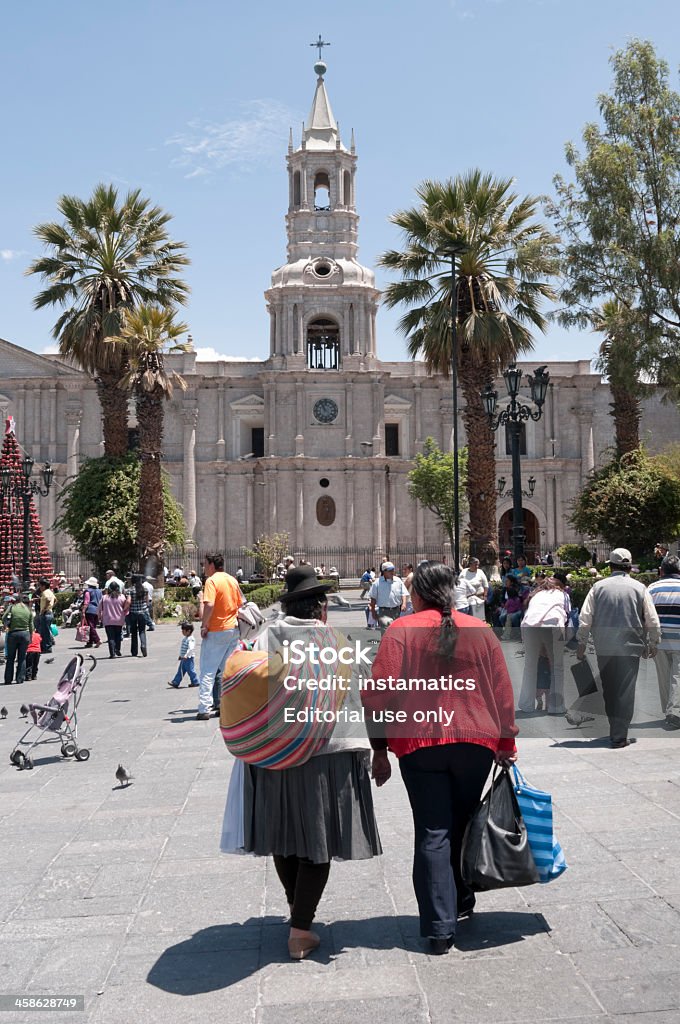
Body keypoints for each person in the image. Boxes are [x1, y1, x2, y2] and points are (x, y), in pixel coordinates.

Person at [223, 564, 382, 959]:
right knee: (319, 841)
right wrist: (378, 750)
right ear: (321, 608)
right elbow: (364, 696)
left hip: (275, 754)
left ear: (288, 605)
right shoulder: (340, 640)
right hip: (329, 755)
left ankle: (298, 911)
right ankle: (300, 927)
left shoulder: (265, 639)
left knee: (285, 837)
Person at [361, 561, 517, 955]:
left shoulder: (401, 631)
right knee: (463, 821)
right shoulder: (481, 632)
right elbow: (502, 693)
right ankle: (462, 899)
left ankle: (438, 926)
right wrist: (507, 744)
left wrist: (378, 748)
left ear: (416, 594)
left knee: (433, 830)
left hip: (421, 746)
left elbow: (377, 695)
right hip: (475, 743)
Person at [576, 547, 661, 748]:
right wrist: (653, 642)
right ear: (630, 566)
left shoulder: (598, 587)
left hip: (604, 646)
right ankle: (619, 733)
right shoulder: (640, 588)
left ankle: (616, 729)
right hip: (630, 647)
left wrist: (581, 643)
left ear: (610, 566)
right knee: (625, 690)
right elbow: (652, 619)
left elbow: (585, 617)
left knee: (609, 689)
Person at [197, 552, 243, 720]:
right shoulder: (232, 579)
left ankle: (204, 707)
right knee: (226, 671)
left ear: (211, 565)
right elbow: (240, 604)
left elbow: (209, 604)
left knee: (208, 671)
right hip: (233, 630)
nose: (204, 568)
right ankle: (226, 705)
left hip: (216, 630)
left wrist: (204, 625)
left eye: (205, 564)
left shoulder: (211, 581)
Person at [516, 576, 570, 714]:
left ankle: (526, 704)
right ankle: (556, 706)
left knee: (530, 666)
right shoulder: (562, 594)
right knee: (557, 666)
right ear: (559, 585)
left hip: (529, 626)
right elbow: (567, 616)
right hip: (553, 624)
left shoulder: (536, 595)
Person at [648, 554, 680, 728]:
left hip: (658, 639)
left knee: (664, 676)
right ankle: (674, 713)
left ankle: (669, 711)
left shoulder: (652, 588)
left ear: (661, 571)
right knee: (677, 676)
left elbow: (645, 615)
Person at [3, 594, 34, 685]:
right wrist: (31, 637)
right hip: (25, 634)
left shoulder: (11, 608)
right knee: (22, 657)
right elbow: (31, 625)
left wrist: (7, 625)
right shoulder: (28, 609)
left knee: (10, 658)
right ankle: (20, 679)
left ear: (14, 601)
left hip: (13, 634)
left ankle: (8, 679)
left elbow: (4, 617)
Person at [368, 562, 408, 632]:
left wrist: (404, 604)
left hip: (396, 611)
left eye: (392, 570)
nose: (392, 572)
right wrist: (373, 611)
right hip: (384, 612)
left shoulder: (398, 580)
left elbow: (403, 593)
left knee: (396, 632)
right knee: (386, 631)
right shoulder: (377, 583)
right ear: (384, 572)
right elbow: (373, 598)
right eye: (389, 570)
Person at [99, 581, 129, 659]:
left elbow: (99, 609)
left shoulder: (104, 597)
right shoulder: (122, 597)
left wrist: (99, 617)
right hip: (119, 619)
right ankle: (117, 649)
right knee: (118, 635)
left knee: (110, 637)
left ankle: (112, 653)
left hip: (108, 620)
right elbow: (126, 607)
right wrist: (124, 614)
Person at [167, 621, 199, 688]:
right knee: (181, 670)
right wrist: (181, 655)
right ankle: (176, 682)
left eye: (183, 631)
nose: (182, 632)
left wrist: (186, 655)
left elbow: (191, 648)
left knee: (190, 670)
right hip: (184, 658)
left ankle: (195, 681)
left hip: (188, 658)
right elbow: (183, 649)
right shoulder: (186, 638)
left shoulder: (191, 639)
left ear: (188, 631)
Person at [125, 575, 149, 658]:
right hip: (142, 612)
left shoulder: (130, 590)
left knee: (134, 632)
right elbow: (147, 601)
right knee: (142, 631)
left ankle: (134, 651)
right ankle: (143, 645)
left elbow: (128, 601)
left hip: (133, 613)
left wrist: (124, 609)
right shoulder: (144, 589)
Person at [459, 557, 488, 621]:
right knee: (470, 618)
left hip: (479, 597)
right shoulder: (464, 572)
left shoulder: (480, 572)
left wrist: (485, 596)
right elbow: (459, 583)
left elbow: (486, 585)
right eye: (475, 564)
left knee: (479, 618)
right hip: (467, 598)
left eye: (478, 564)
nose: (477, 566)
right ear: (470, 564)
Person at [82, 577, 103, 648]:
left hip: (90, 610)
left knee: (90, 626)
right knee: (93, 626)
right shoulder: (99, 591)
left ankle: (97, 640)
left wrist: (83, 610)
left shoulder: (87, 591)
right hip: (97, 610)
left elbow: (86, 601)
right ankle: (89, 642)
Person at [37, 577, 55, 654]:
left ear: (43, 586)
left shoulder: (45, 592)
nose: (39, 587)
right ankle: (46, 646)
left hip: (45, 613)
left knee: (44, 632)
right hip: (49, 613)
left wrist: (44, 609)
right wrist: (51, 607)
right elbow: (56, 600)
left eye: (40, 585)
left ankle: (47, 647)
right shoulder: (50, 592)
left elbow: (47, 600)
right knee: (45, 631)